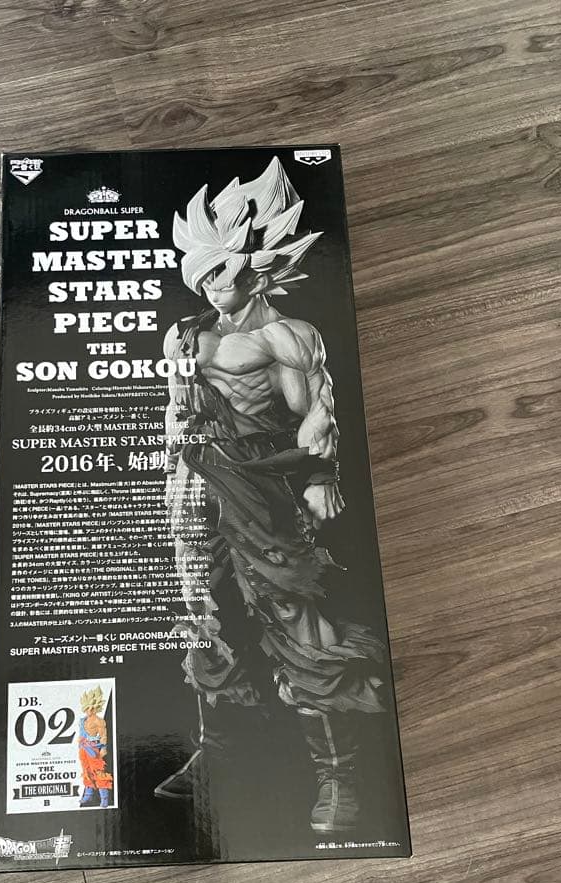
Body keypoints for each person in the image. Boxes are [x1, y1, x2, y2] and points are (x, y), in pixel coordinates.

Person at [154, 157, 385, 834]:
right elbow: (175, 412)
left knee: (296, 617)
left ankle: (338, 775)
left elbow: (315, 421)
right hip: (195, 487)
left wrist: (319, 477)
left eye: (223, 270)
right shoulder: (184, 334)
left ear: (258, 270)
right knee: (202, 612)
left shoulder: (288, 337)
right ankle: (221, 756)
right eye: (203, 272)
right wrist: (174, 484)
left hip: (262, 489)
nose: (211, 284)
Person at [78, 686, 113, 808]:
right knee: (86, 771)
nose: (88, 710)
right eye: (86, 708)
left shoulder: (99, 721)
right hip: (83, 748)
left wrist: (103, 748)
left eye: (91, 708)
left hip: (93, 748)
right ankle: (88, 795)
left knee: (98, 772)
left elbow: (103, 735)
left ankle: (104, 798)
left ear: (95, 707)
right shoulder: (83, 720)